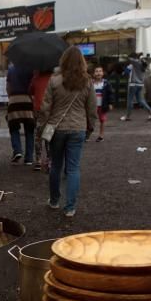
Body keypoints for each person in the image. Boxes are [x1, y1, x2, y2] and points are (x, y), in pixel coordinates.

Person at [37, 46, 97, 218]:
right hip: (78, 128)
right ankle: (70, 207)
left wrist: (42, 128)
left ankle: (54, 200)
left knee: (56, 165)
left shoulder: (54, 81)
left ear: (63, 60)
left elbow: (46, 108)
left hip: (57, 128)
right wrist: (90, 128)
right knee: (73, 168)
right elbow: (92, 108)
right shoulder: (87, 82)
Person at [6, 61, 35, 163]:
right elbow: (33, 86)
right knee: (29, 130)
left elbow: (8, 87)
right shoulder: (31, 69)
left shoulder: (11, 69)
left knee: (13, 127)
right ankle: (29, 157)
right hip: (27, 100)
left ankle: (17, 149)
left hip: (14, 100)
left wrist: (11, 97)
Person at [29, 70, 54, 171]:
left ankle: (38, 160)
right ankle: (49, 160)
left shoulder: (36, 77)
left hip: (39, 110)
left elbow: (30, 91)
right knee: (49, 136)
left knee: (38, 136)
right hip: (51, 111)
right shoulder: (54, 78)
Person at [121, 52, 151, 121]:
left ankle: (127, 116)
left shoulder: (133, 64)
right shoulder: (144, 65)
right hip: (140, 84)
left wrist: (124, 71)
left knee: (130, 101)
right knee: (141, 100)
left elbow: (125, 72)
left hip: (133, 84)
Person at [91, 65, 114, 142]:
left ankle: (101, 135)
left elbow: (110, 93)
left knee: (102, 120)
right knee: (90, 120)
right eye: (96, 71)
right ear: (93, 73)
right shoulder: (91, 83)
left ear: (103, 73)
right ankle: (87, 134)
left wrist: (110, 103)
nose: (98, 73)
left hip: (102, 105)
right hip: (92, 105)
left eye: (100, 71)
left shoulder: (106, 83)